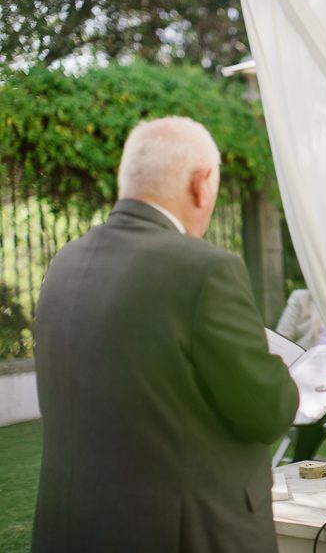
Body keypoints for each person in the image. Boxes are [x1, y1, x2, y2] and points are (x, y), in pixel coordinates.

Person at [32, 117, 299, 553]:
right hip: (180, 532)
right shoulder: (205, 268)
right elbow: (268, 411)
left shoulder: (65, 262)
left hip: (73, 526)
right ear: (202, 184)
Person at [275, 289, 326, 461]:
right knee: (317, 409)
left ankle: (302, 459)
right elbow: (282, 338)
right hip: (307, 373)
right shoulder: (302, 298)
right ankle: (301, 459)